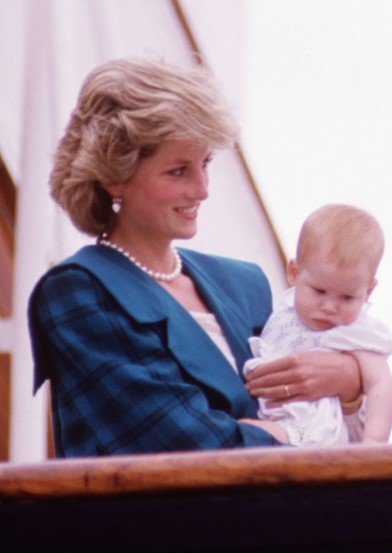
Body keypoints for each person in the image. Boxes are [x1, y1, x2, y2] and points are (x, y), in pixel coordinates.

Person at [28, 58, 361, 456]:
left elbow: (329, 430)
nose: (203, 189)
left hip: (279, 512)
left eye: (205, 164)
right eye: (178, 171)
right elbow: (184, 444)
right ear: (114, 176)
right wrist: (293, 438)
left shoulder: (245, 286)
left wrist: (351, 381)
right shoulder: (79, 291)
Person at [241, 204, 392, 445]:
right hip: (276, 412)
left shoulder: (356, 332)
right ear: (294, 272)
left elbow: (381, 386)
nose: (329, 307)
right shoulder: (284, 313)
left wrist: (374, 441)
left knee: (250, 433)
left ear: (368, 291)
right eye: (319, 291)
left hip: (316, 432)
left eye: (347, 297)